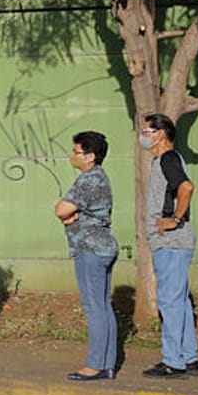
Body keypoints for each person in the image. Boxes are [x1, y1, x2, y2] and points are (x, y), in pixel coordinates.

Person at [140, 113, 198, 379]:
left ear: (161, 134)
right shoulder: (162, 161)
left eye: (148, 130)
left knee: (170, 301)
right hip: (173, 242)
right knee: (180, 301)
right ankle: (189, 358)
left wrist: (174, 219)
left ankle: (173, 362)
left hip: (172, 242)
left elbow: (186, 187)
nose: (143, 135)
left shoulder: (168, 159)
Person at [54, 131, 119, 380]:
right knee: (103, 306)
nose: (73, 156)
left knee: (94, 308)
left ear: (90, 156)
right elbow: (69, 212)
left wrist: (70, 215)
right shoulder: (99, 178)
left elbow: (61, 209)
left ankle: (95, 365)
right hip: (101, 247)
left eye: (77, 151)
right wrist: (73, 215)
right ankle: (107, 362)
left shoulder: (88, 180)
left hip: (90, 248)